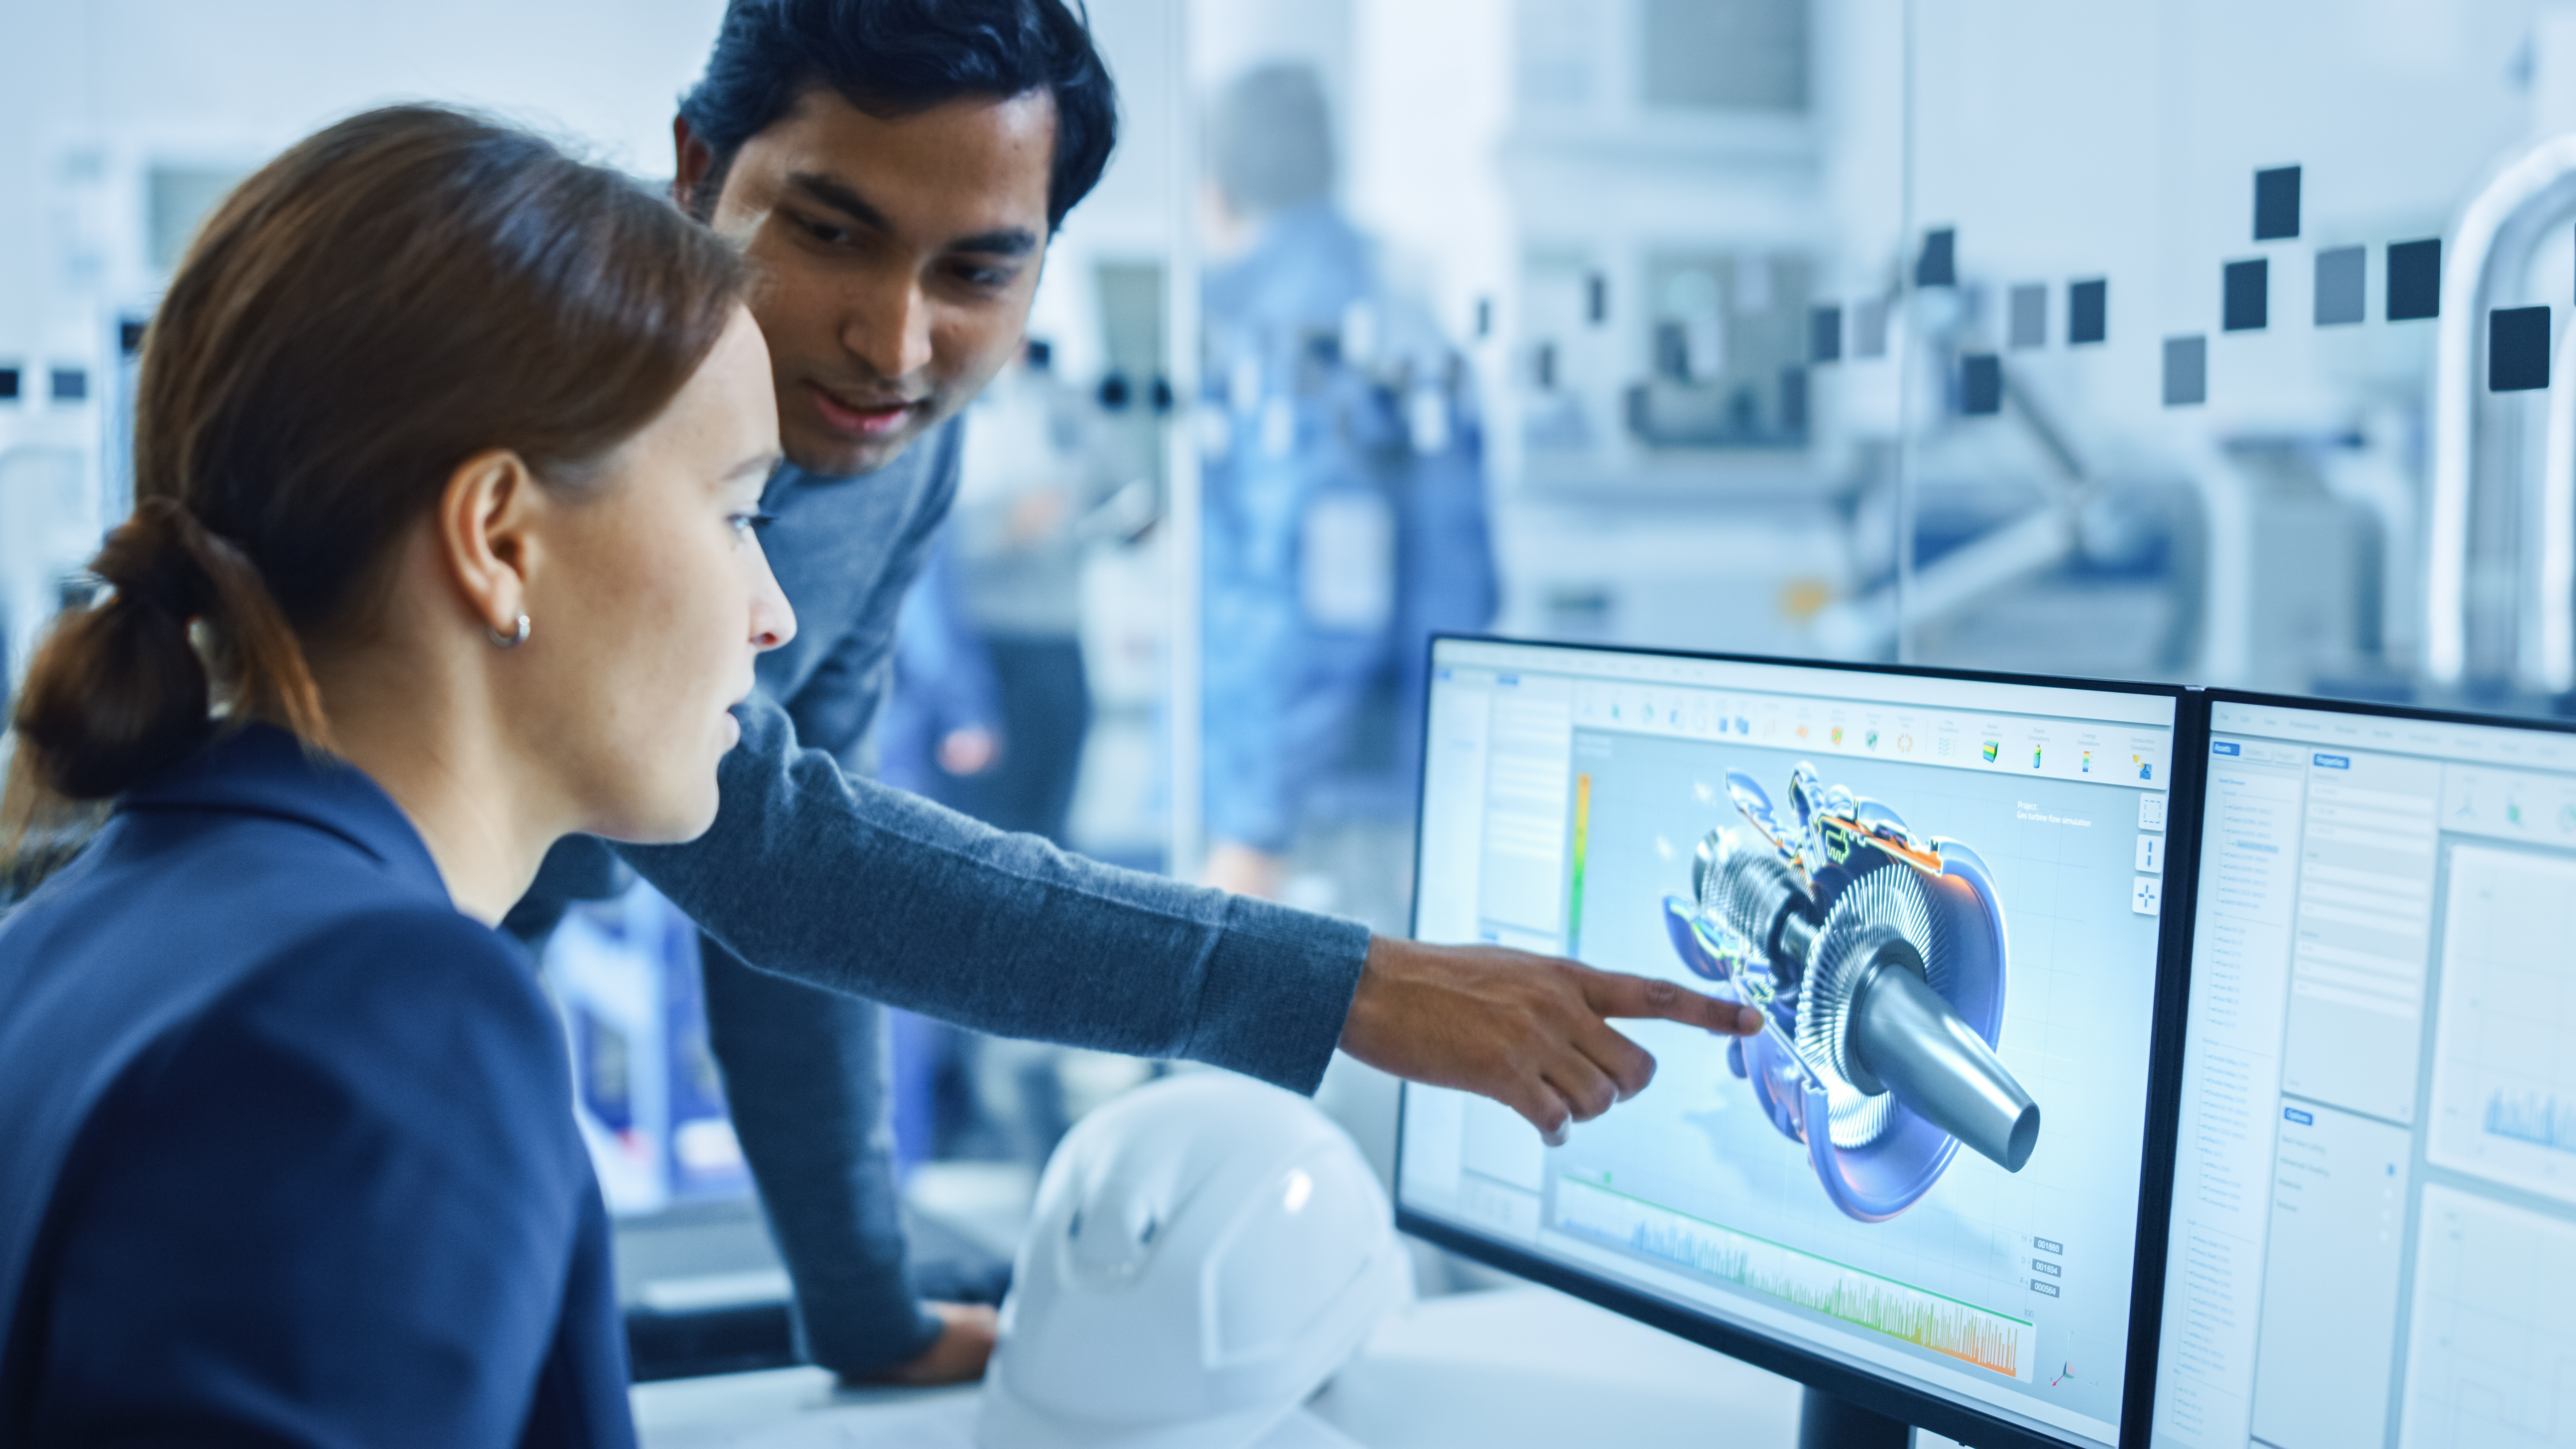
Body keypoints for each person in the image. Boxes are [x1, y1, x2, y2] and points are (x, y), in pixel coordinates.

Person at [534, 0, 1770, 1386]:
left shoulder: (898, 451)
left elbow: (793, 894)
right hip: (405, 984)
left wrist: (866, 1310)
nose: (894, 345)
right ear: (697, 169)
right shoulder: (572, 385)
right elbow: (775, 856)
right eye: (830, 234)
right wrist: (1346, 982)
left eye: (977, 271)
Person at [0, 105, 786, 1443]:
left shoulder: (66, 931)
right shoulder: (387, 1007)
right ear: (498, 540)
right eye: (734, 515)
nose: (773, 614)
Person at [1196, 61, 1498, 925]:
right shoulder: (1392, 304)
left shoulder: (1295, 333)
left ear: (1216, 192)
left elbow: (1328, 589)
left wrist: (1257, 820)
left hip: (1324, 793)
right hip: (1398, 755)